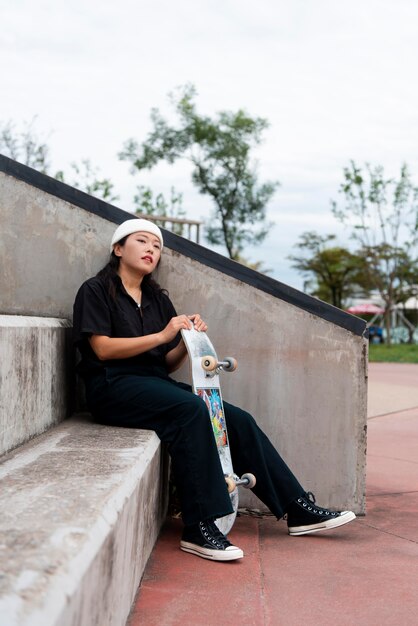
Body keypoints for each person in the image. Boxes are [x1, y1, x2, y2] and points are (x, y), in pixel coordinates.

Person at [72, 218, 356, 562]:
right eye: (142, 241)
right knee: (191, 410)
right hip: (111, 385)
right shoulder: (97, 289)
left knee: (235, 417)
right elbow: (101, 348)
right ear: (118, 249)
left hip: (153, 383)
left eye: (157, 246)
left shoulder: (157, 299)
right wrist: (164, 335)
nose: (151, 249)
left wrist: (189, 339)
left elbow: (167, 363)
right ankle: (200, 527)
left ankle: (297, 507)